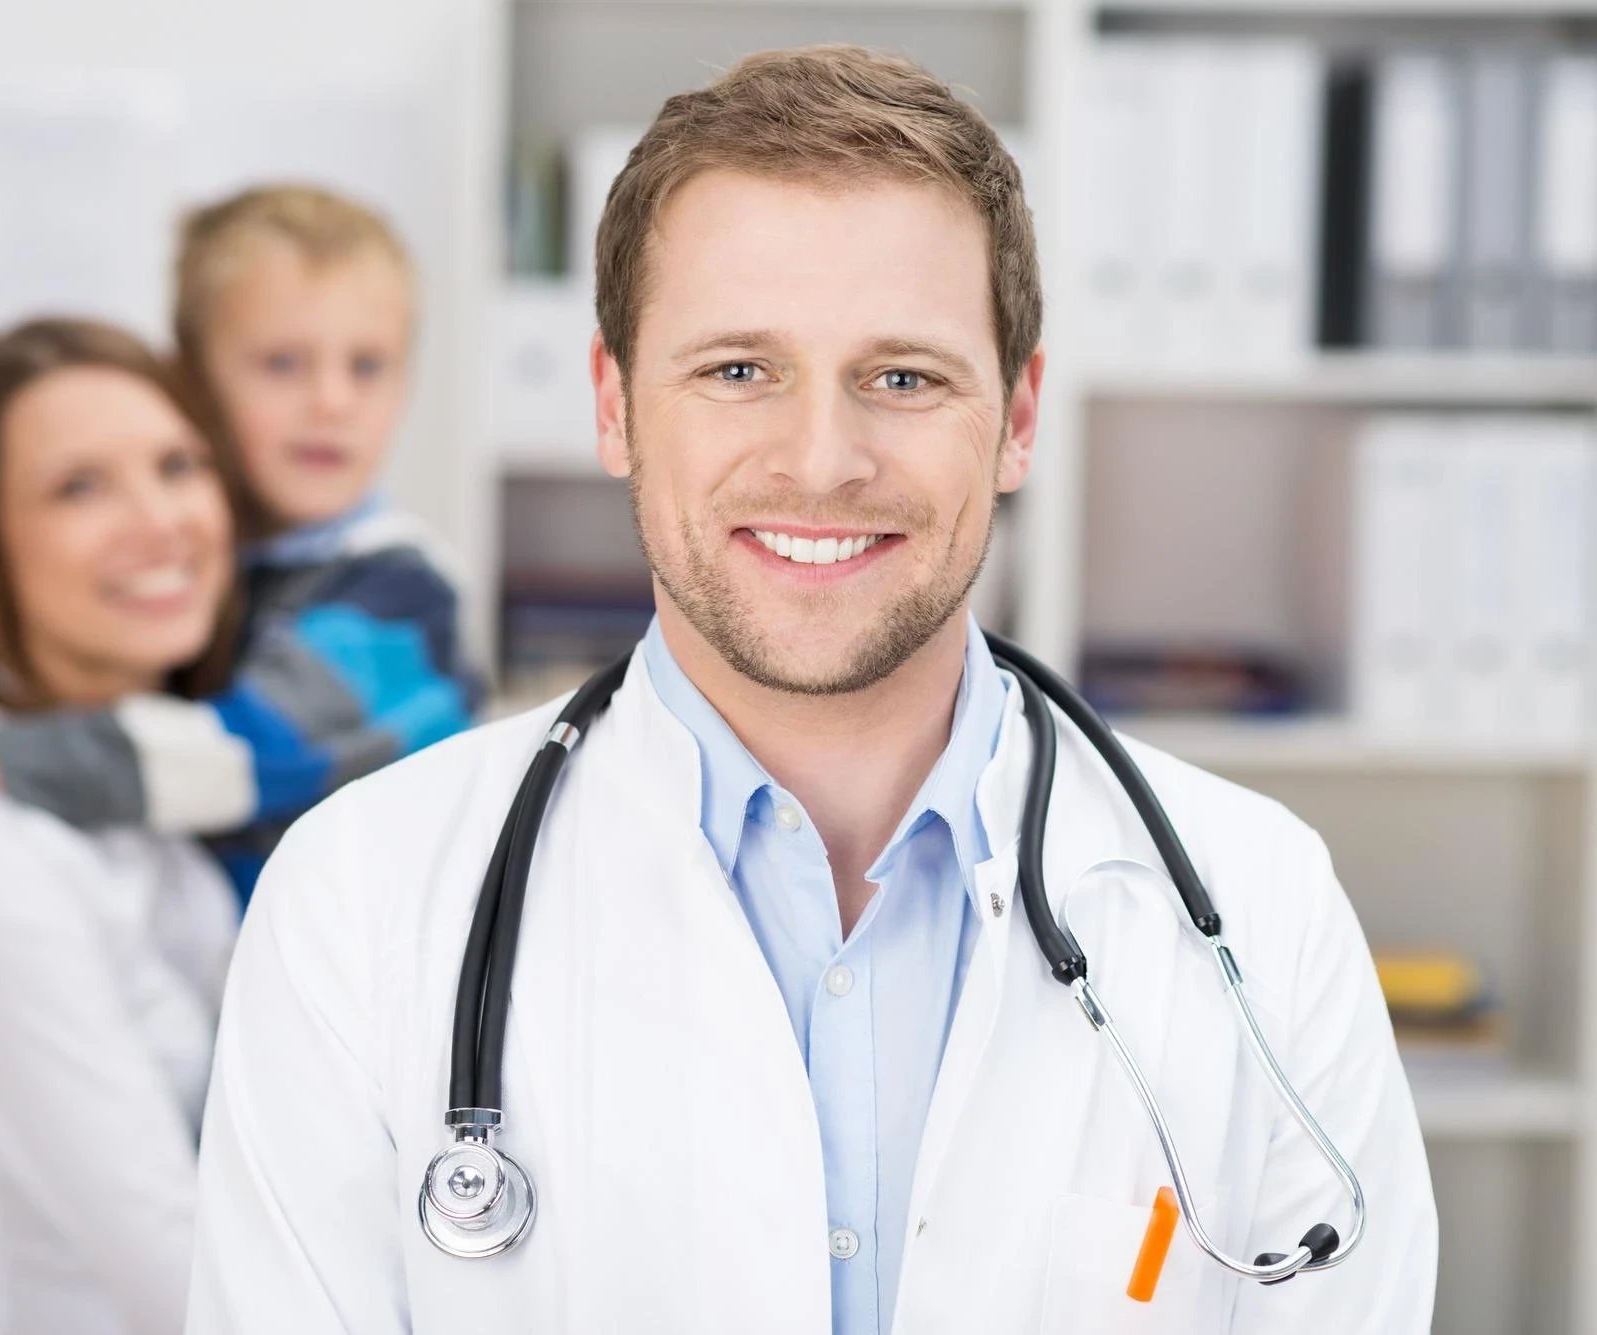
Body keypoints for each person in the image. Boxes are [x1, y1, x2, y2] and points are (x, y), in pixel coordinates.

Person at [185, 46, 1436, 1335]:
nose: (822, 461)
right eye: (737, 370)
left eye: (902, 377)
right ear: (615, 405)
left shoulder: (1261, 909)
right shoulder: (356, 903)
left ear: (1013, 417)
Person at [0, 185, 479, 1086]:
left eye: (369, 366)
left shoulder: (401, 592)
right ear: (190, 381)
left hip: (401, 1032)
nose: (330, 402)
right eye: (281, 363)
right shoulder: (211, 577)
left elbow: (234, 755)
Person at [0, 318, 243, 1334]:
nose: (160, 520)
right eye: (80, 488)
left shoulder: (163, 804)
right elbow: (187, 1280)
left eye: (177, 465)